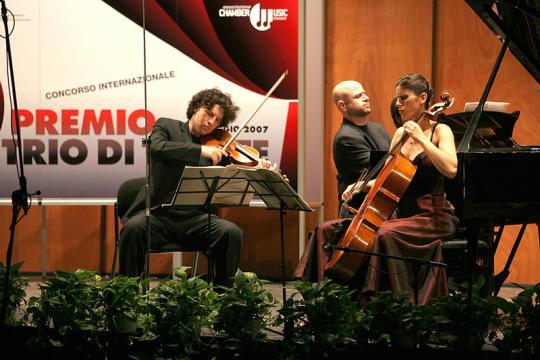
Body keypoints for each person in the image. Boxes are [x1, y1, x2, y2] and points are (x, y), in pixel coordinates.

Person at [119, 88, 271, 287]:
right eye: (209, 114)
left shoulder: (219, 148)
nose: (211, 123)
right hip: (158, 216)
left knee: (231, 233)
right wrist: (200, 150)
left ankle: (224, 299)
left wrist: (259, 166)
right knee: (133, 230)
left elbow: (236, 174)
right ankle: (128, 298)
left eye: (217, 120)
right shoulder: (167, 126)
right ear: (196, 108)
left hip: (196, 220)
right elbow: (156, 148)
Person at [343, 73, 459, 304]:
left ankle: (399, 304)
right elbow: (387, 180)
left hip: (433, 215)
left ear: (423, 98)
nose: (398, 104)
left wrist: (422, 139)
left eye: (404, 98)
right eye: (397, 98)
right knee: (346, 229)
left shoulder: (440, 131)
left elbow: (451, 168)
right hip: (403, 214)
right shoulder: (400, 134)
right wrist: (360, 186)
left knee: (385, 234)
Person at [332, 80, 391, 218]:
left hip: (380, 205)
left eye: (364, 93)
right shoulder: (345, 138)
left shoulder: (379, 129)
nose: (366, 97)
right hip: (359, 210)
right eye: (358, 96)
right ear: (343, 106)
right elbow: (382, 170)